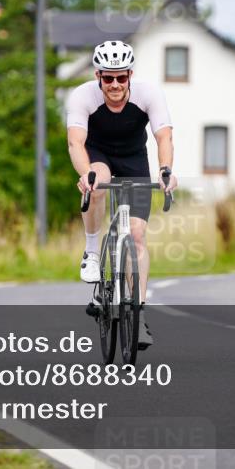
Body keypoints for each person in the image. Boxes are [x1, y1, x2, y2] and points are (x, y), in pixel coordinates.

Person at [65, 40, 177, 349]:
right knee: (97, 183)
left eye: (121, 77)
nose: (115, 85)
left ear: (130, 75)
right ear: (98, 76)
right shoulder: (82, 96)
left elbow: (163, 136)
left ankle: (138, 316)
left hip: (133, 159)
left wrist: (165, 170)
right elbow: (76, 143)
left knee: (138, 236)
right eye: (108, 78)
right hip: (97, 154)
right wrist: (85, 175)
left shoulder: (149, 94)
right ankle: (90, 252)